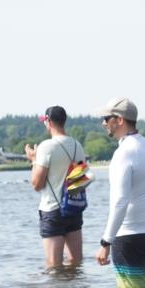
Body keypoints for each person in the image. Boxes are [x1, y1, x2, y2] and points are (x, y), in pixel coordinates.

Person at [94, 97, 145, 288]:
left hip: (128, 238)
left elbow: (120, 201)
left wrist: (105, 242)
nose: (104, 123)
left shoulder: (123, 152)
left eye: (107, 118)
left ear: (120, 120)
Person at [25, 105, 86, 268]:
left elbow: (37, 184)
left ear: (49, 122)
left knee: (53, 266)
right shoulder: (77, 146)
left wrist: (33, 160)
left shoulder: (46, 147)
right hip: (73, 208)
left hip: (52, 211)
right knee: (76, 263)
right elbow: (80, 181)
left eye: (45, 121)